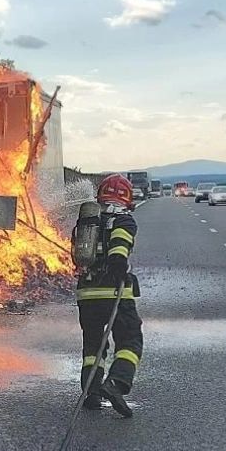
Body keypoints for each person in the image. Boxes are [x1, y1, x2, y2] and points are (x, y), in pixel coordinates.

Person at [76, 173, 143, 417]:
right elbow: (118, 251)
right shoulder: (124, 220)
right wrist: (119, 269)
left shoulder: (87, 223)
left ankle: (91, 393)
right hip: (115, 292)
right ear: (127, 198)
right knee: (130, 340)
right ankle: (116, 383)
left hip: (86, 294)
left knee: (93, 344)